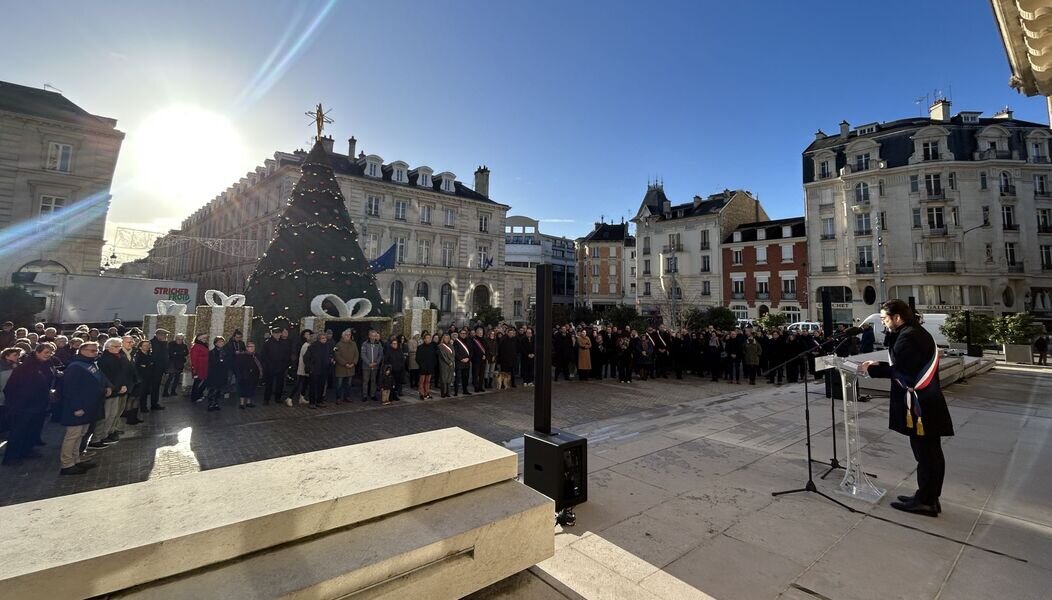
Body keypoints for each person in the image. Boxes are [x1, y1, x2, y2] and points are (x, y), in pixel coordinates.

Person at [861, 300, 954, 517]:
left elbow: (902, 370)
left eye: (885, 318)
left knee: (927, 454)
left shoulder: (909, 336)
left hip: (922, 406)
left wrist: (872, 369)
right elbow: (905, 365)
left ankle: (927, 501)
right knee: (928, 453)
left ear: (897, 317)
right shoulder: (914, 332)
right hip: (926, 402)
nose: (883, 323)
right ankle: (927, 496)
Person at [58, 342, 110, 475]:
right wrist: (77, 407)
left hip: (89, 406)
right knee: (72, 436)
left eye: (96, 350)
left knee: (81, 434)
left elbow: (99, 379)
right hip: (78, 408)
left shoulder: (91, 364)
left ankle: (76, 459)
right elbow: (70, 389)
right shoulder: (75, 367)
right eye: (92, 351)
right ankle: (67, 463)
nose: (95, 353)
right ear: (83, 351)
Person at [2, 343, 54, 466]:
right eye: (46, 352)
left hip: (37, 405)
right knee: (18, 431)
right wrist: (19, 402)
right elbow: (12, 388)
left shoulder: (43, 365)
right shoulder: (26, 367)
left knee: (32, 430)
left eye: (50, 352)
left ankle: (26, 450)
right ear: (37, 352)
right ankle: (11, 457)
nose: (49, 355)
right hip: (23, 406)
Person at [94, 338, 129, 445]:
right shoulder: (104, 359)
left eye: (119, 346)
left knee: (112, 414)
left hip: (117, 390)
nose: (118, 348)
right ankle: (97, 438)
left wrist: (123, 385)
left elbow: (121, 374)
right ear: (108, 347)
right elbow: (107, 376)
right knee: (105, 415)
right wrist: (117, 387)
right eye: (116, 346)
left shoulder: (117, 357)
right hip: (109, 391)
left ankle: (106, 434)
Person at [261, 327, 291, 405]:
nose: (277, 335)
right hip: (270, 367)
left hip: (281, 367)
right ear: (273, 334)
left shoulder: (283, 343)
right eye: (275, 333)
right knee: (269, 384)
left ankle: (278, 398)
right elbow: (264, 355)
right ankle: (266, 399)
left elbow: (287, 354)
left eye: (278, 333)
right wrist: (267, 365)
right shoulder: (268, 343)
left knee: (279, 384)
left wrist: (285, 365)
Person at [305, 332, 333, 408]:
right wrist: (310, 367)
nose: (324, 340)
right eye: (323, 338)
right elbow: (306, 358)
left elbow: (330, 354)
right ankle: (312, 402)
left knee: (321, 386)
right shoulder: (313, 347)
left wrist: (330, 360)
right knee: (313, 387)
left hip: (324, 369)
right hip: (315, 370)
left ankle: (319, 401)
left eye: (325, 338)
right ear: (319, 339)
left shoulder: (327, 346)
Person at [333, 329, 359, 403]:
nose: (348, 336)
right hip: (341, 368)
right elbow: (337, 356)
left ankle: (347, 397)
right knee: (339, 384)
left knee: (348, 384)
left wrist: (354, 363)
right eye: (346, 335)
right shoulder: (338, 344)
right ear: (343, 336)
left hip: (351, 368)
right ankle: (338, 398)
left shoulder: (354, 344)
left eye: (349, 335)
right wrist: (345, 363)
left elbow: (356, 354)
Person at [131, 340, 154, 423]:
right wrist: (146, 365)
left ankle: (144, 407)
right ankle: (140, 409)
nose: (147, 347)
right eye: (145, 345)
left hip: (148, 376)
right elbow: (138, 366)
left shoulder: (150, 354)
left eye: (148, 345)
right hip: (141, 377)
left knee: (146, 392)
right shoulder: (138, 355)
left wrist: (146, 365)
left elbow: (150, 364)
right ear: (140, 347)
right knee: (141, 393)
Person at [205, 336, 230, 412]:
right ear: (215, 343)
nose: (221, 343)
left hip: (222, 373)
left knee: (219, 389)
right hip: (214, 373)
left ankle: (216, 403)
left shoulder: (225, 351)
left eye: (222, 342)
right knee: (213, 389)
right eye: (219, 342)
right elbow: (211, 363)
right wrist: (220, 361)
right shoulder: (212, 352)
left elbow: (227, 361)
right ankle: (210, 403)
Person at [360, 330, 385, 402]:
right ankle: (364, 395)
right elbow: (363, 354)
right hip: (366, 366)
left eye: (375, 336)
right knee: (365, 381)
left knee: (373, 381)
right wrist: (368, 363)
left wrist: (377, 362)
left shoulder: (379, 344)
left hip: (375, 366)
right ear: (369, 336)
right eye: (372, 335)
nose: (373, 337)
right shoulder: (365, 344)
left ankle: (373, 395)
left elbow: (380, 354)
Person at [147, 329, 169, 411]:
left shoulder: (161, 343)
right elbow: (158, 355)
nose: (165, 337)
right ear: (159, 335)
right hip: (154, 369)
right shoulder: (154, 343)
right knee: (154, 387)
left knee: (156, 387)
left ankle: (155, 403)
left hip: (159, 368)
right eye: (164, 335)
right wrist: (163, 343)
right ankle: (153, 404)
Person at [237, 341, 262, 409]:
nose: (252, 348)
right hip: (244, 375)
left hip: (253, 375)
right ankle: (242, 403)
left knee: (251, 388)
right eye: (250, 347)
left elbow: (259, 365)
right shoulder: (242, 355)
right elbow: (240, 366)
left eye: (253, 347)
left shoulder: (256, 355)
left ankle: (248, 402)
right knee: (243, 389)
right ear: (247, 348)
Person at [293, 330, 312, 405]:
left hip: (306, 367)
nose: (308, 336)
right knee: (298, 382)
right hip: (302, 366)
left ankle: (302, 397)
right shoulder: (305, 345)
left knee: (305, 383)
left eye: (309, 334)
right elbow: (304, 357)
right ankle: (290, 397)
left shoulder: (309, 344)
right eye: (307, 334)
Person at [189, 333, 210, 404]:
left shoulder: (204, 345)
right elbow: (194, 358)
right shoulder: (196, 346)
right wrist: (194, 369)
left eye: (205, 338)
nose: (205, 340)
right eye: (203, 338)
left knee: (203, 382)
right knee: (197, 383)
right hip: (199, 368)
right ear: (199, 339)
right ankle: (194, 397)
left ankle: (199, 394)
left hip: (204, 367)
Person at [416, 332, 436, 399]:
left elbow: (434, 357)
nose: (429, 339)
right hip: (423, 367)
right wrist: (422, 366)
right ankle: (421, 394)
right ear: (424, 339)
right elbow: (418, 358)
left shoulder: (432, 347)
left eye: (430, 338)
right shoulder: (420, 347)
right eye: (427, 338)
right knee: (422, 382)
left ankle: (427, 393)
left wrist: (433, 365)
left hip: (430, 367)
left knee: (428, 381)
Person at [454, 330, 473, 396]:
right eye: (462, 333)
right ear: (459, 334)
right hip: (459, 362)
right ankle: (455, 391)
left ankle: (465, 390)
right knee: (458, 378)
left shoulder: (468, 341)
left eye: (464, 333)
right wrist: (461, 359)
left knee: (465, 377)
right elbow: (455, 352)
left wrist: (468, 358)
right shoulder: (456, 341)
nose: (463, 334)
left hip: (467, 362)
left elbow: (471, 351)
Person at [437, 333, 455, 398]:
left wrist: (451, 361)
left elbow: (453, 354)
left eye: (448, 338)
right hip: (444, 364)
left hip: (451, 364)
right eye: (445, 338)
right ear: (443, 338)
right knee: (444, 379)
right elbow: (443, 356)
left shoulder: (451, 345)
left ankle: (448, 392)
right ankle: (443, 393)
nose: (447, 339)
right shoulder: (440, 346)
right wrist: (449, 362)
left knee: (449, 379)